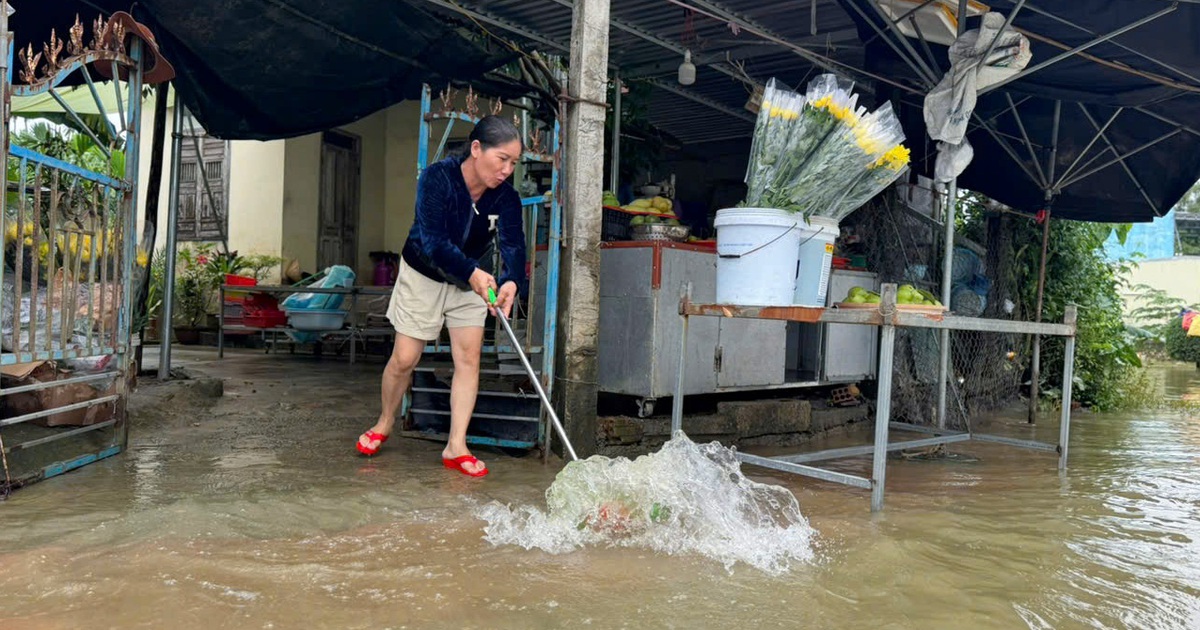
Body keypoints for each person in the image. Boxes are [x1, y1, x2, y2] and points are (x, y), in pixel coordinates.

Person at [356, 116, 527, 477]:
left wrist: (511, 280)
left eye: (514, 163)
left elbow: (512, 243)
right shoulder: (438, 178)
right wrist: (474, 273)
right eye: (502, 159)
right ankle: (385, 421)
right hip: (424, 273)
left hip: (470, 283)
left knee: (469, 359)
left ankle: (456, 445)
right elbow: (433, 242)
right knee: (405, 358)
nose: (507, 170)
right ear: (477, 149)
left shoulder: (506, 197)